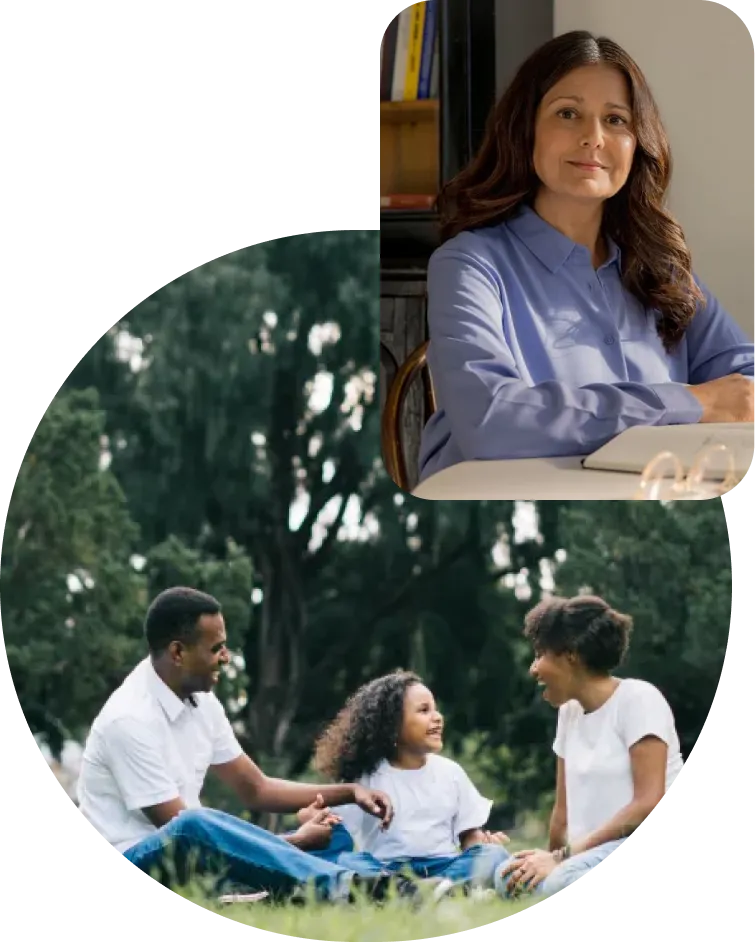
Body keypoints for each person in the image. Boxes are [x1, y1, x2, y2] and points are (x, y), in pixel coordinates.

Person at [418, 30, 755, 483]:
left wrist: (714, 403)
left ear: (637, 143)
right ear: (525, 128)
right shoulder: (468, 265)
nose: (593, 138)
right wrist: (691, 402)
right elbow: (491, 420)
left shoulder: (661, 271)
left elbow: (746, 386)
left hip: (642, 507)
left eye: (616, 120)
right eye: (568, 113)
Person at [76, 586, 407, 904]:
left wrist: (351, 793)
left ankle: (392, 882)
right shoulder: (128, 719)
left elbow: (257, 789)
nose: (226, 657)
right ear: (178, 652)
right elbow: (186, 835)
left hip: (194, 855)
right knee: (193, 823)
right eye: (216, 648)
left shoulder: (203, 702)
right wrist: (294, 841)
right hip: (142, 857)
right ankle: (341, 885)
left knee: (332, 836)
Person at [495, 595, 686, 899]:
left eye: (540, 654)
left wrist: (561, 859)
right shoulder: (568, 713)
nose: (533, 668)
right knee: (507, 875)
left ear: (570, 655)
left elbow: (648, 803)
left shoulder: (639, 699)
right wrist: (545, 861)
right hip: (587, 854)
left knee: (560, 883)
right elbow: (562, 813)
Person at [297, 670, 512, 901]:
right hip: (387, 871)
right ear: (391, 725)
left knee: (494, 854)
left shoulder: (451, 772)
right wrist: (311, 817)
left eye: (435, 709)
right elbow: (334, 831)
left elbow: (470, 835)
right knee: (349, 862)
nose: (437, 717)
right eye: (424, 710)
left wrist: (481, 847)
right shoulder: (364, 780)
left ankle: (437, 890)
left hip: (444, 865)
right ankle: (429, 892)